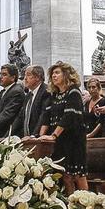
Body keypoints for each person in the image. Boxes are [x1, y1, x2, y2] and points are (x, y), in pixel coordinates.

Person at [40, 61, 88, 193]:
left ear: (66, 74)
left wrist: (53, 135)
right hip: (59, 141)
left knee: (77, 174)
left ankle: (87, 204)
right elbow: (46, 118)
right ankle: (71, 206)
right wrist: (40, 138)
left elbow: (68, 116)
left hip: (73, 139)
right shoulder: (53, 95)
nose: (54, 76)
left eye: (57, 73)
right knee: (65, 175)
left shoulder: (74, 92)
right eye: (52, 74)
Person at [0, 64, 27, 137]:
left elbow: (7, 113)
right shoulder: (2, 92)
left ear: (13, 77)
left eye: (4, 74)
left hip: (7, 133)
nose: (0, 77)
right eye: (0, 74)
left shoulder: (16, 91)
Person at [15, 65, 49, 138]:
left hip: (39, 138)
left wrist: (33, 136)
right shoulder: (28, 95)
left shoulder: (46, 91)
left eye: (28, 75)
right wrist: (7, 137)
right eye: (25, 75)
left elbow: (43, 117)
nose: (25, 78)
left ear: (37, 77)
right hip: (26, 138)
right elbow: (20, 118)